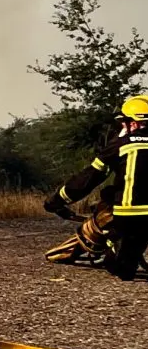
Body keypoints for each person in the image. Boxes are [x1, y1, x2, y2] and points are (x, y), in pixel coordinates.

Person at [44, 94, 148, 280]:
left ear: (133, 123)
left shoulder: (120, 145)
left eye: (123, 123)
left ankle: (112, 247)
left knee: (121, 269)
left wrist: (56, 201)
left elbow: (88, 179)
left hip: (130, 218)